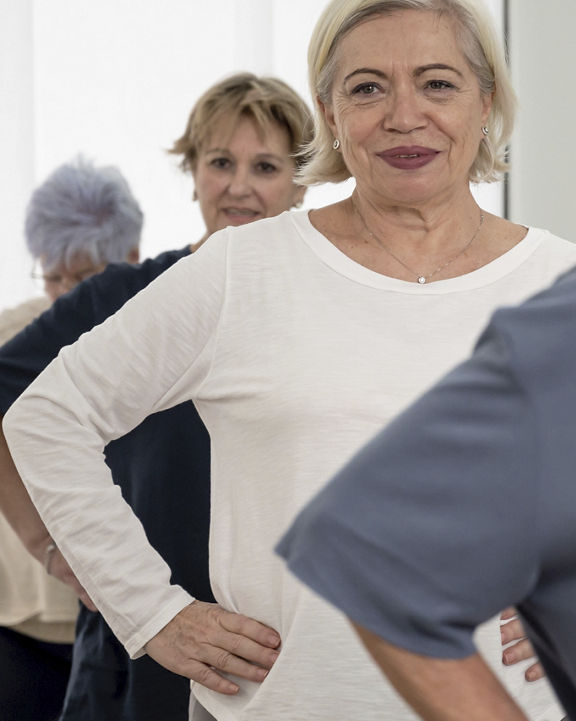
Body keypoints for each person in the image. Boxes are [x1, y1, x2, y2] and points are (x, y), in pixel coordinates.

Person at [2, 1, 574, 719]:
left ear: (486, 100)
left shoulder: (558, 279)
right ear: (331, 112)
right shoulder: (245, 271)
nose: (403, 115)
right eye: (367, 87)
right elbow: (48, 417)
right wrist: (151, 612)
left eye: (437, 83)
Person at [0, 72, 312, 721]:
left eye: (265, 165)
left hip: (277, 655)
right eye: (220, 161)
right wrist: (50, 548)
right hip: (133, 656)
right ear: (193, 170)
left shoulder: (322, 309)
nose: (239, 185)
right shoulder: (121, 296)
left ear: (301, 180)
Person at [277, 262, 576, 721]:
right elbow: (367, 549)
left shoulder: (546, 260)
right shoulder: (561, 329)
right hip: (294, 687)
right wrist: (155, 615)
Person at [0, 157, 143, 721]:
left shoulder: (153, 335)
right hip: (20, 615)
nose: (63, 296)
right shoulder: (11, 337)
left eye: (81, 279)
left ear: (129, 261)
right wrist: (45, 549)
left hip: (122, 616)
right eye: (52, 276)